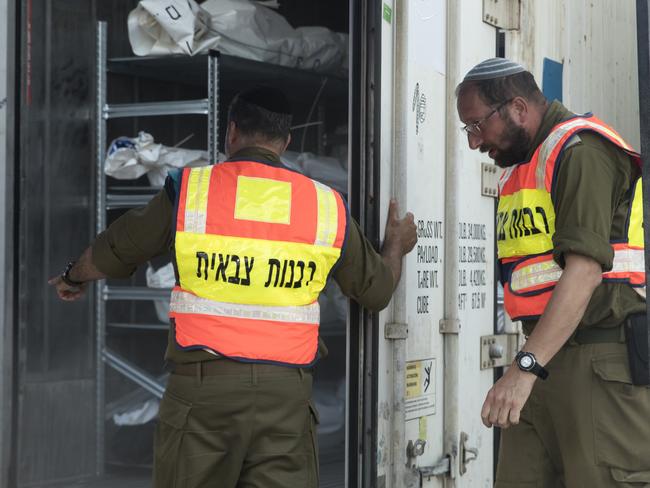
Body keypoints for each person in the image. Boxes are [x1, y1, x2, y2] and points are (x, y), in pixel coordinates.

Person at [49, 85, 417, 488]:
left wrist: (73, 276)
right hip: (285, 400)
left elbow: (117, 246)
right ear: (286, 142)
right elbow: (376, 292)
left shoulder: (191, 191)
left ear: (232, 132)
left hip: (203, 396)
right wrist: (395, 245)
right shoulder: (326, 205)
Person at [456, 58, 650, 486]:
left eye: (476, 126)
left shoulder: (581, 151)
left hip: (598, 360)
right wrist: (530, 365)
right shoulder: (527, 167)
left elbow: (583, 272)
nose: (473, 143)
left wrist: (524, 368)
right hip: (545, 357)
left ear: (518, 107)